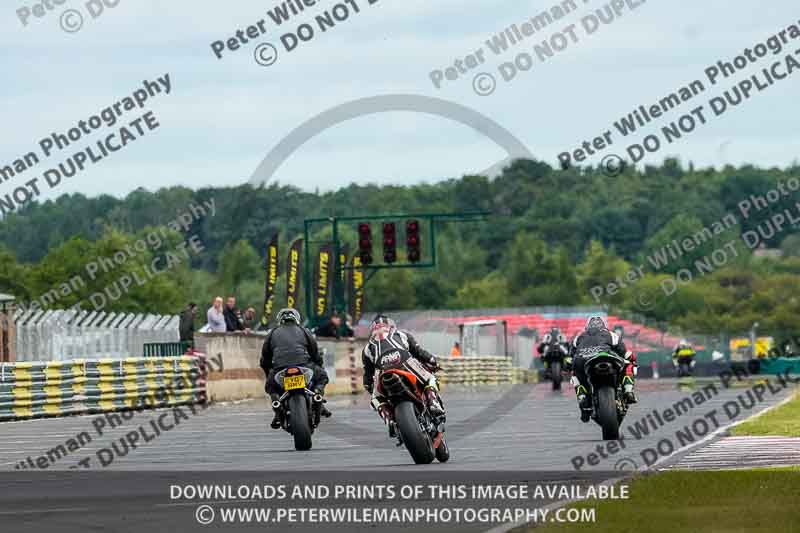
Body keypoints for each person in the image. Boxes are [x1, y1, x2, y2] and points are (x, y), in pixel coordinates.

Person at [362, 315, 444, 435]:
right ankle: (432, 401)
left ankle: (388, 419)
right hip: (404, 362)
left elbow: (367, 378)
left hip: (383, 371)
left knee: (375, 399)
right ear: (391, 326)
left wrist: (370, 389)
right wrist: (434, 362)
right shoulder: (401, 334)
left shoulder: (367, 348)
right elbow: (420, 353)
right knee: (430, 378)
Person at [260, 308, 331, 429]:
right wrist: (318, 363)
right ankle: (318, 393)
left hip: (280, 368)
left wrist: (269, 372)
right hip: (303, 365)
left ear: (280, 320)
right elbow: (314, 352)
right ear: (296, 319)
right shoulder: (304, 330)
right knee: (323, 376)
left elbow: (265, 358)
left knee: (270, 386)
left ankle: (277, 405)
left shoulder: (272, 333)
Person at [569, 316, 637, 423]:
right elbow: (624, 352)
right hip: (606, 357)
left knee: (574, 374)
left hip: (583, 362)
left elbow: (570, 357)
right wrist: (632, 358)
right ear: (604, 325)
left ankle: (582, 397)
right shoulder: (611, 334)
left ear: (587, 326)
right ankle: (628, 390)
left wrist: (569, 366)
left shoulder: (578, 337)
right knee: (629, 364)